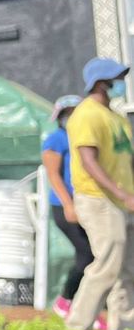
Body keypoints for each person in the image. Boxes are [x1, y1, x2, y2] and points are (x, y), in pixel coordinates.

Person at [64, 57, 134, 330]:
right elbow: (89, 162)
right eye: (116, 79)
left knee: (127, 269)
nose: (121, 83)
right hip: (99, 200)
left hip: (123, 201)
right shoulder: (86, 114)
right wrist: (122, 195)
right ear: (101, 84)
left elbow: (126, 161)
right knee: (106, 266)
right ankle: (76, 329)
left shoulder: (116, 117)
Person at [42, 94, 93, 318]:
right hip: (66, 207)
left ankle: (86, 308)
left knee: (98, 257)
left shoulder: (85, 137)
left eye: (75, 112)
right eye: (67, 114)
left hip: (88, 203)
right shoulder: (56, 139)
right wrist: (68, 204)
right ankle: (65, 300)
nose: (71, 117)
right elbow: (53, 175)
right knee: (87, 255)